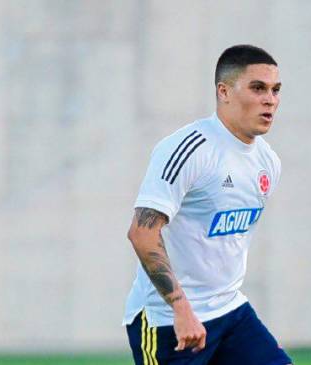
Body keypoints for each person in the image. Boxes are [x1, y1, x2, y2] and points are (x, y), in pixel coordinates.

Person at [123, 45, 292, 365]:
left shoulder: (268, 161)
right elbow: (141, 234)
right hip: (169, 322)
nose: (270, 99)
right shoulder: (189, 149)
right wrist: (181, 309)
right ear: (224, 91)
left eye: (275, 90)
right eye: (258, 88)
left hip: (231, 313)